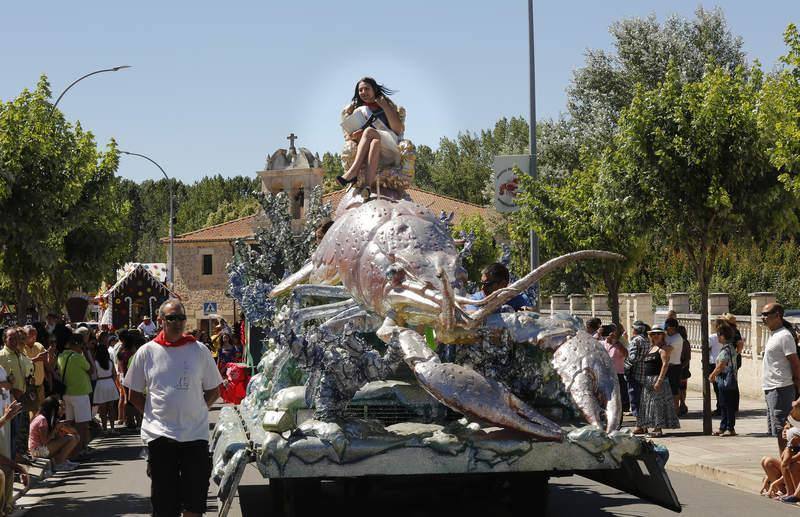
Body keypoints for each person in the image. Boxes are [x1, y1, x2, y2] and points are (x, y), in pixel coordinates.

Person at [124, 299, 222, 517]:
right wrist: (154, 417)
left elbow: (215, 389)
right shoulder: (146, 352)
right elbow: (134, 394)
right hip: (160, 437)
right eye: (171, 318)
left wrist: (199, 408)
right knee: (164, 504)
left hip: (195, 435)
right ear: (160, 321)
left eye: (181, 318)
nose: (177, 322)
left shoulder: (199, 350)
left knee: (194, 503)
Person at [337, 77, 405, 190]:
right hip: (371, 153)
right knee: (374, 142)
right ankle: (367, 186)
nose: (363, 92)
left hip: (390, 150)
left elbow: (397, 130)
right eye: (360, 90)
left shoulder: (387, 105)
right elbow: (350, 137)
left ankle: (353, 172)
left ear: (374, 89)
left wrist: (384, 106)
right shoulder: (358, 110)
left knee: (369, 131)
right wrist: (355, 136)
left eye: (367, 89)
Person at [761, 303, 800, 452]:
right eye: (762, 314)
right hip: (772, 388)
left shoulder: (784, 336)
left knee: (783, 430)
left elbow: (795, 363)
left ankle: (788, 467)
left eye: (766, 314)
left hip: (781, 388)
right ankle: (785, 465)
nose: (763, 318)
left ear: (777, 315)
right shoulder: (774, 335)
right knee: (778, 430)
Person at [636, 326, 680, 437]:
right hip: (648, 380)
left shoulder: (664, 348)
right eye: (653, 334)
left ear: (663, 335)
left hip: (658, 379)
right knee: (648, 404)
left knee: (657, 404)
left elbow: (665, 365)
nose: (655, 336)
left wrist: (659, 380)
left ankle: (658, 428)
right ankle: (646, 426)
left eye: (658, 333)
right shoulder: (651, 348)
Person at [57, 332, 94, 455]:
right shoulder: (78, 357)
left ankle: (72, 450)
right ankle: (80, 449)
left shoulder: (61, 356)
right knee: (82, 424)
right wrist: (87, 353)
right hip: (80, 394)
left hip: (67, 393)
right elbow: (92, 370)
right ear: (78, 345)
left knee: (70, 423)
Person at [0, 328, 34, 460]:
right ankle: (11, 462)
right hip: (8, 401)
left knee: (20, 431)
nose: (14, 341)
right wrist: (11, 389)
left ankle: (18, 457)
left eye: (16, 338)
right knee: (11, 434)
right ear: (5, 340)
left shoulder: (19, 354)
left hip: (22, 398)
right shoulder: (2, 356)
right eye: (11, 338)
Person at [28, 396, 79, 471]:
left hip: (42, 449)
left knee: (74, 437)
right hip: (37, 451)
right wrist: (56, 429)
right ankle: (59, 463)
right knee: (71, 438)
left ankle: (62, 460)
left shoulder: (48, 419)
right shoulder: (42, 419)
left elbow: (74, 433)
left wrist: (61, 426)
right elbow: (44, 441)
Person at [709, 322, 739, 436]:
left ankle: (729, 428)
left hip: (726, 380)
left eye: (718, 335)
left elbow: (721, 365)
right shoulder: (730, 348)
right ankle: (723, 427)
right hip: (728, 380)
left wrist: (712, 375)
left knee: (727, 404)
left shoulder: (726, 349)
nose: (717, 337)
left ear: (722, 336)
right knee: (724, 404)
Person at [465, 263, 531, 313]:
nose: (482, 288)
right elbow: (470, 316)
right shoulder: (476, 300)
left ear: (503, 284)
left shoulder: (518, 299)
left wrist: (526, 312)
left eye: (487, 284)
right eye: (481, 284)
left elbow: (532, 316)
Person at [600, 324, 629, 417]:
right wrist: (599, 332)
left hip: (618, 375)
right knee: (606, 399)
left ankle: (618, 419)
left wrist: (617, 343)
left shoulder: (620, 343)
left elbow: (626, 354)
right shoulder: (602, 344)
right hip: (605, 375)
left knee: (617, 399)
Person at [625, 320, 650, 428]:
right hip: (645, 374)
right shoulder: (647, 340)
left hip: (635, 374)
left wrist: (626, 367)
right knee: (644, 400)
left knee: (635, 400)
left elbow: (632, 357)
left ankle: (639, 425)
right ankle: (644, 424)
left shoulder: (635, 341)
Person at [92, 341, 119, 435]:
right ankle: (112, 428)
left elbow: (94, 375)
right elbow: (115, 375)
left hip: (100, 384)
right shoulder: (110, 362)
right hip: (110, 383)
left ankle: (104, 429)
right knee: (111, 408)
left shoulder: (95, 363)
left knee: (102, 410)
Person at [21, 326, 47, 421]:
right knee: (32, 411)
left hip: (40, 385)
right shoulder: (21, 347)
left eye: (35, 334)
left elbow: (46, 362)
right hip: (28, 388)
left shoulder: (39, 346)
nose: (33, 336)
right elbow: (23, 364)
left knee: (41, 410)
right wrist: (37, 359)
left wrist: (51, 355)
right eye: (31, 334)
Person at [663, 318, 683, 415]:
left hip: (674, 366)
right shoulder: (666, 336)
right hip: (666, 365)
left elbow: (667, 349)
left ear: (673, 328)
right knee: (666, 389)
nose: (667, 330)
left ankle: (676, 409)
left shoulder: (677, 338)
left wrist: (657, 345)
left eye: (669, 328)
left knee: (674, 389)